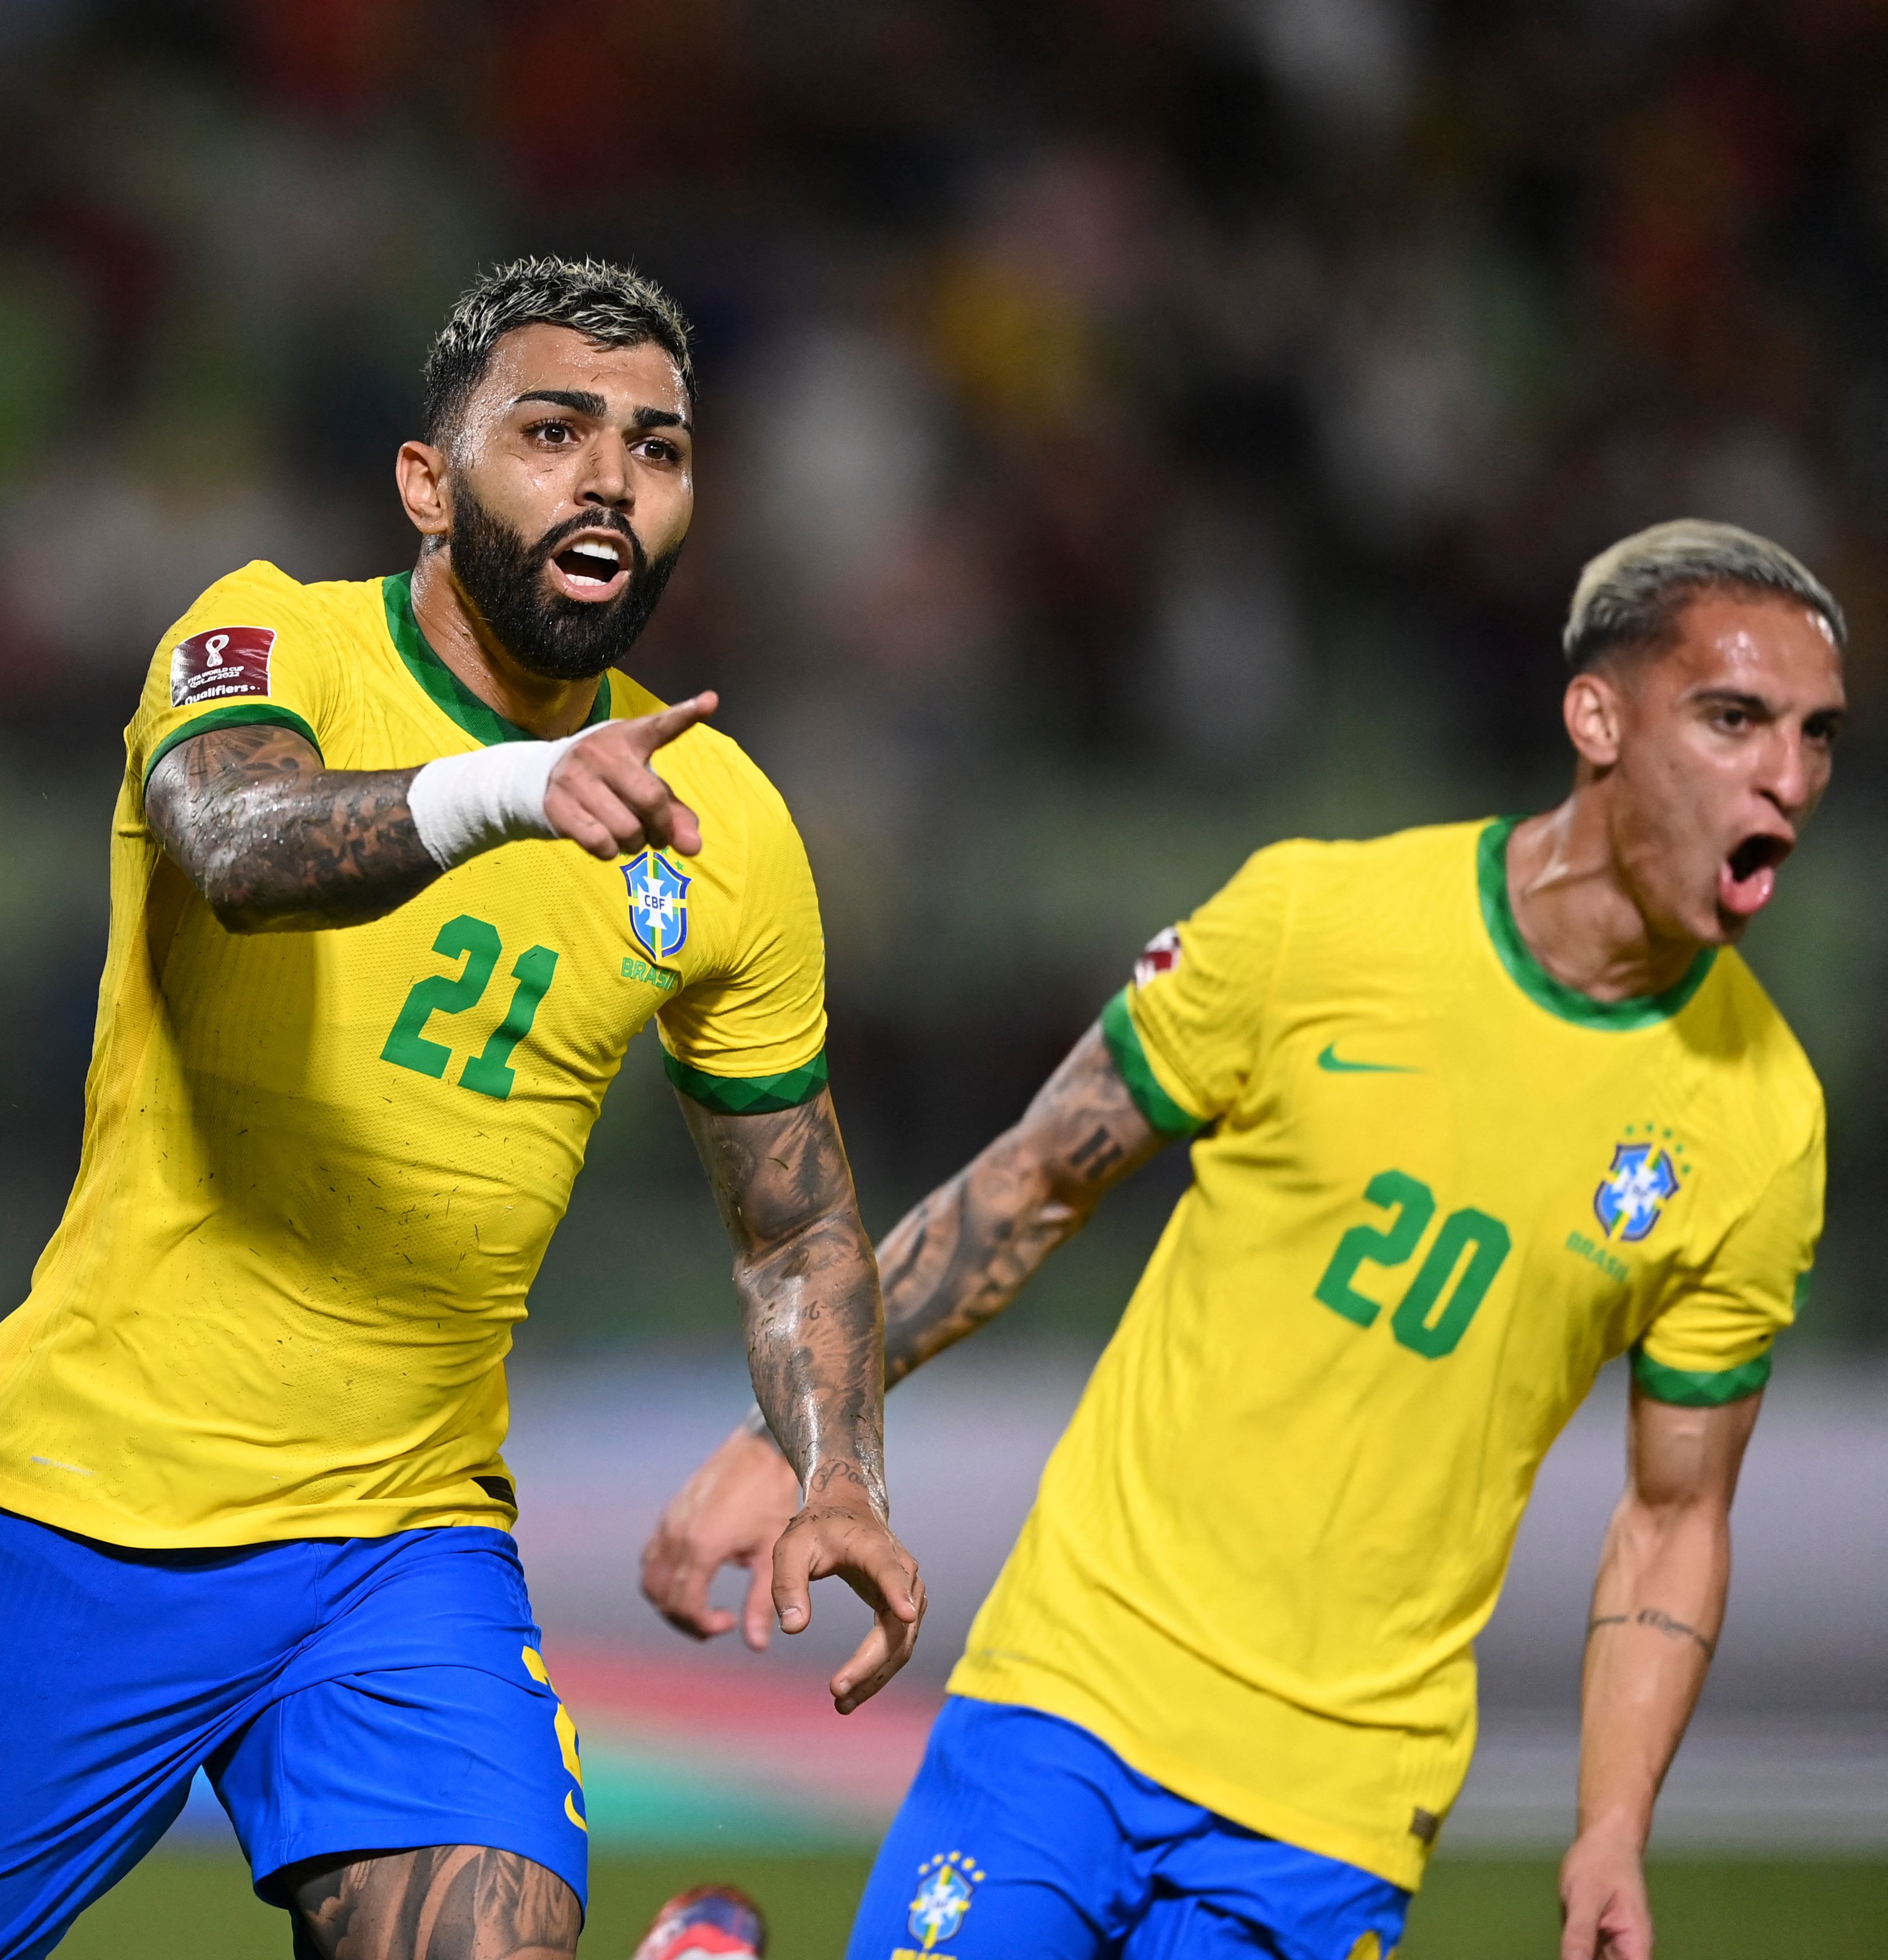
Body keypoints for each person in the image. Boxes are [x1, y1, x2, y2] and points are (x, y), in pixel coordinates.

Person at [0, 256, 930, 1960]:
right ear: (424, 482)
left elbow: (798, 1220)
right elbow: (240, 848)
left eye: (655, 448)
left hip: (399, 1537)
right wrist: (520, 787)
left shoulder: (725, 826)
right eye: (551, 431)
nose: (609, 476)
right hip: (85, 1505)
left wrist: (836, 1467)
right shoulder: (267, 640)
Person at [635, 519, 1841, 1960]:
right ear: (1597, 715)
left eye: (1818, 736)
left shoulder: (1761, 1123)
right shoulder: (1318, 921)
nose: (1787, 775)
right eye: (1735, 718)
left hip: (1340, 1797)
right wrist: (800, 1437)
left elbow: (1673, 1514)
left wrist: (1609, 1823)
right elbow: (1032, 1183)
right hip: (1074, 1685)